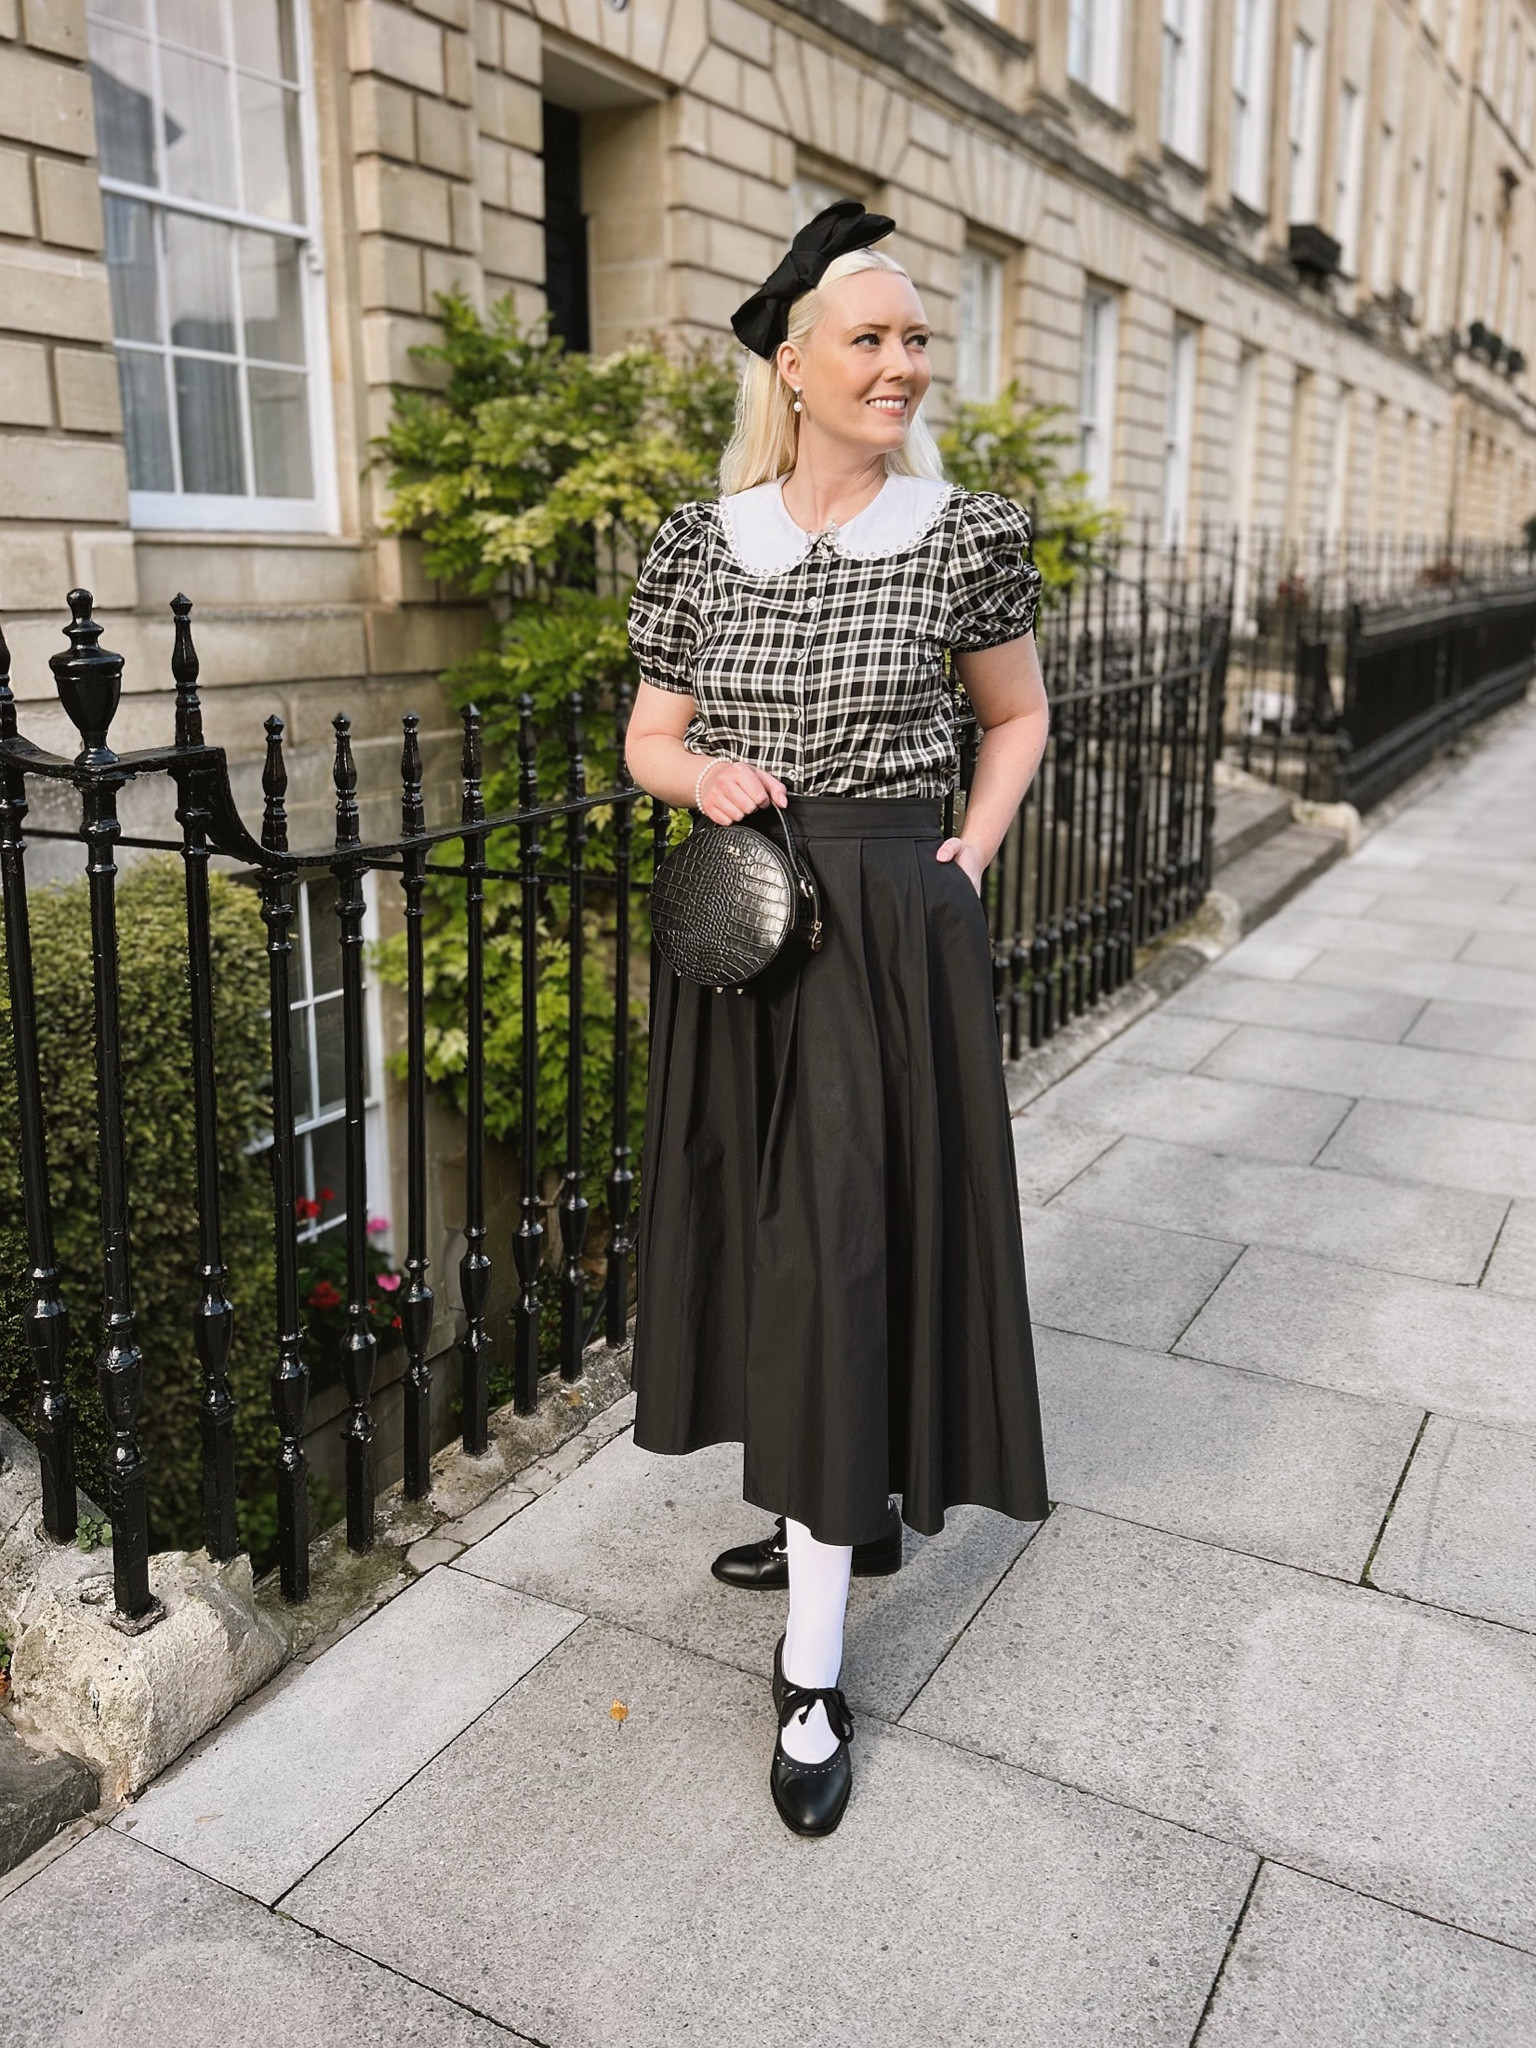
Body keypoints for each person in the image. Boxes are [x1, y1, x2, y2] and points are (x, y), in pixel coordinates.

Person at [623, 201, 1051, 1838]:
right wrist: (704, 774)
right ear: (791, 366)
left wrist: (968, 853)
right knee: (783, 1238)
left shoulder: (964, 534)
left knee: (836, 1249)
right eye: (870, 339)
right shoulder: (698, 541)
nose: (902, 364)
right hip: (750, 933)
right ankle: (842, 1497)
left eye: (915, 339)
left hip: (890, 929)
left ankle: (813, 1672)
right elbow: (650, 739)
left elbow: (1014, 716)